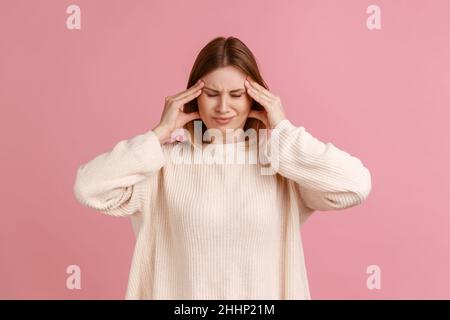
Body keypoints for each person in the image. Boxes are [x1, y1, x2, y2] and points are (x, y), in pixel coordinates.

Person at [73, 36, 372, 299]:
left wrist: (283, 130)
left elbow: (355, 185)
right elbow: (88, 188)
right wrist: (158, 135)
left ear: (256, 97)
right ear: (193, 96)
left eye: (236, 95)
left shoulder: (281, 163)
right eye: (212, 94)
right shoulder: (163, 163)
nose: (223, 107)